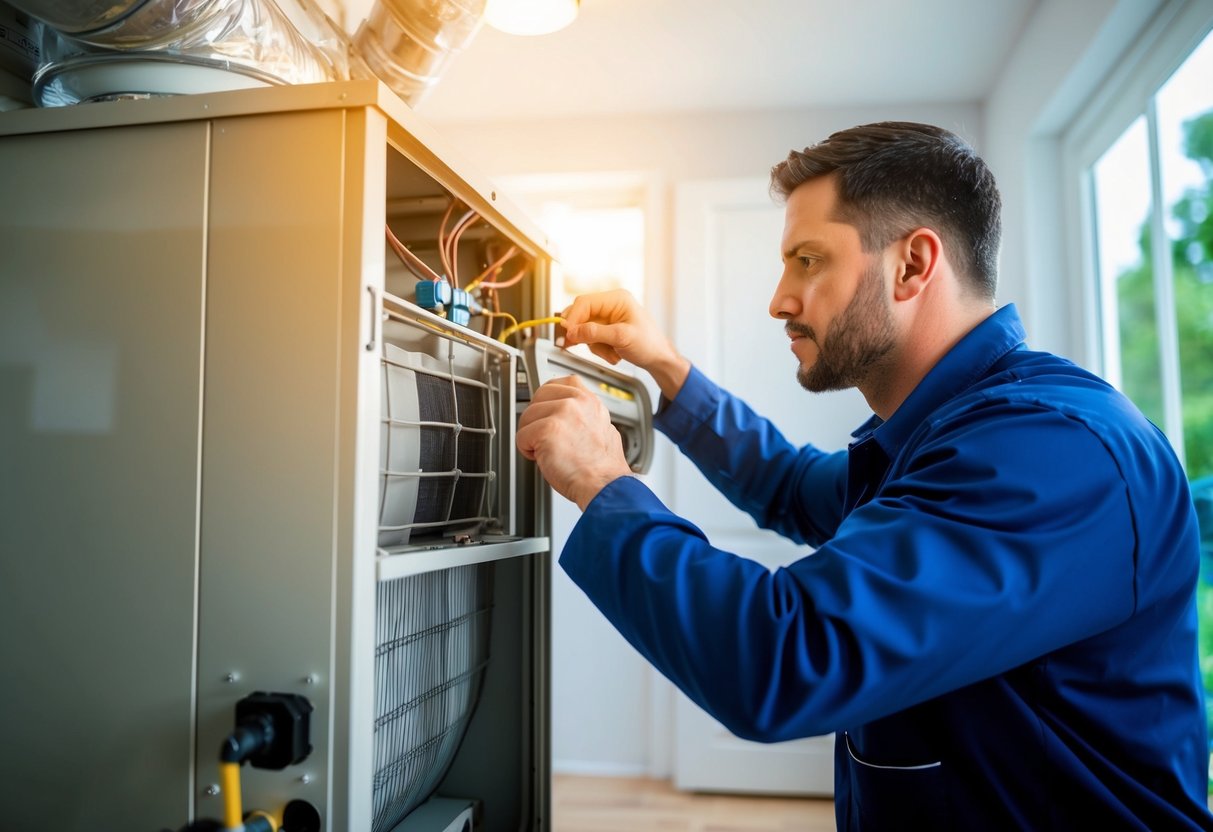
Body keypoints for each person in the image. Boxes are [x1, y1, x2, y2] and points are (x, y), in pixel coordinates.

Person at [515, 122, 1212, 830]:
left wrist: (604, 484)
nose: (779, 299)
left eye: (807, 260)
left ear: (912, 265)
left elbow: (785, 659)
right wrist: (664, 366)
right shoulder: (948, 434)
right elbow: (789, 486)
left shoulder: (1051, 451)